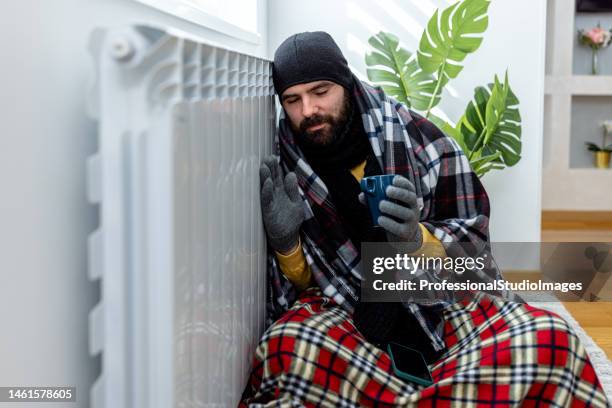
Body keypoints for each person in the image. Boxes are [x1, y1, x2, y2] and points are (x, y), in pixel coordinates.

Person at [240, 31, 608, 406]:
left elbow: (473, 247)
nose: (308, 111)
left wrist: (417, 240)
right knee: (285, 349)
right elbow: (304, 284)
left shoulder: (418, 138)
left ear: (346, 83)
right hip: (345, 309)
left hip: (437, 301)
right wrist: (287, 245)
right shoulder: (286, 167)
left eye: (321, 92)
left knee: (550, 338)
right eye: (292, 99)